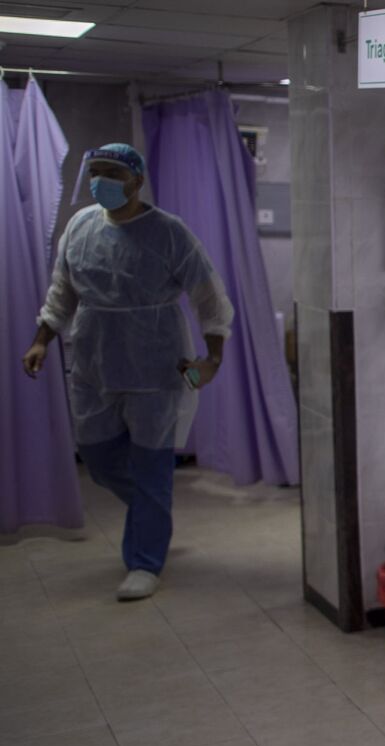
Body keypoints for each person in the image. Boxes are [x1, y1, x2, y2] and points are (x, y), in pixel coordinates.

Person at [19, 142, 232, 602]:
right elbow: (62, 293)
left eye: (111, 172)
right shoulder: (80, 227)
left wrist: (211, 358)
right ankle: (151, 514)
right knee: (96, 457)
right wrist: (41, 338)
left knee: (152, 465)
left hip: (155, 363)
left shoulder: (169, 233)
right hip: (95, 360)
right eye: (94, 171)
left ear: (135, 180)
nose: (101, 181)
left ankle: (144, 562)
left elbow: (208, 297)